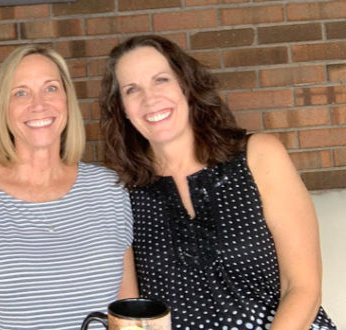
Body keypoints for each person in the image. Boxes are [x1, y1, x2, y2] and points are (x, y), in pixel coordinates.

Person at [100, 35, 337, 329]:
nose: (149, 98)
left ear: (186, 86)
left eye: (161, 80)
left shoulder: (259, 155)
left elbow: (303, 288)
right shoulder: (122, 192)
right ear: (122, 108)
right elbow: (134, 317)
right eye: (132, 89)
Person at [0, 45, 138, 329]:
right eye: (21, 92)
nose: (39, 104)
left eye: (51, 88)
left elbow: (127, 314)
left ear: (67, 99)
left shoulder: (109, 189)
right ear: (2, 108)